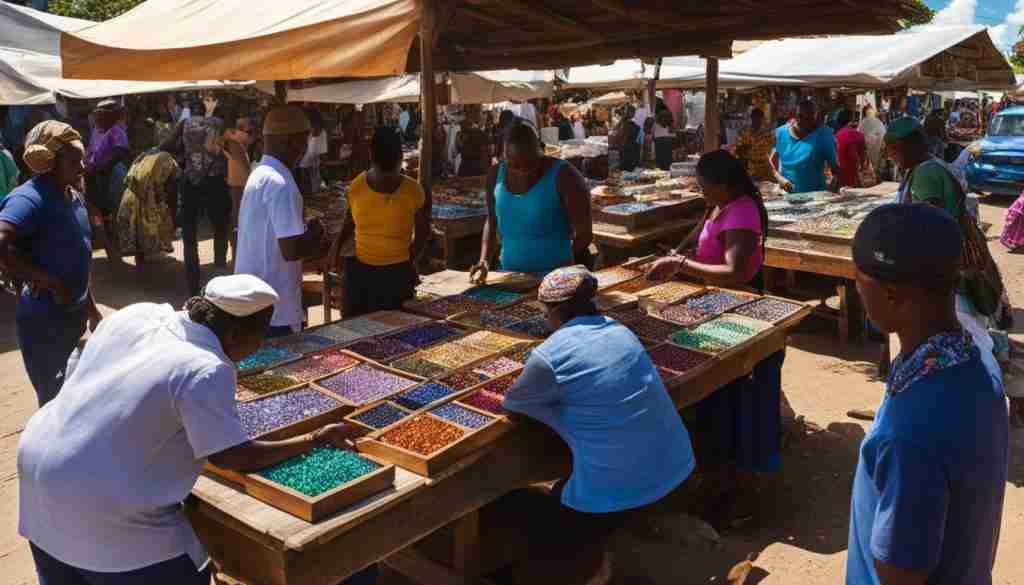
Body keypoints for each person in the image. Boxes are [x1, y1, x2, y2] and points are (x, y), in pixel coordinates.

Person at [17, 274, 370, 585]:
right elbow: (232, 456)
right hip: (103, 508)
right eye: (260, 334)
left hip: (39, 468)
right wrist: (314, 438)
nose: (258, 346)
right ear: (235, 333)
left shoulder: (139, 314)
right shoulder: (206, 367)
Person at [498, 266, 695, 584]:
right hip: (675, 464)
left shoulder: (549, 355)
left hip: (619, 488)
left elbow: (514, 407)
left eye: (545, 312)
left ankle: (586, 570)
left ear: (555, 311)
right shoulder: (621, 331)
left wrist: (558, 415)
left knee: (529, 515)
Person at [845, 203, 1007, 585]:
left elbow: (900, 575)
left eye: (858, 280)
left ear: (891, 295)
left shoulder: (909, 434)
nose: (856, 290)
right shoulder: (977, 366)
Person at [645, 150, 780, 526]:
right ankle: (714, 474)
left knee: (729, 397)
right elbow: (704, 245)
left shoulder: (742, 212)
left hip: (737, 307)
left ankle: (733, 485)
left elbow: (734, 271)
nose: (701, 192)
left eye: (705, 187)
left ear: (725, 184)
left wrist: (681, 264)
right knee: (713, 400)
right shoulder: (720, 206)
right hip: (712, 303)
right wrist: (680, 257)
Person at [885, 117, 1007, 389]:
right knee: (971, 335)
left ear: (905, 146)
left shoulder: (926, 174)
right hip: (951, 272)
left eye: (892, 150)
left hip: (946, 277)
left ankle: (989, 391)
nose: (890, 157)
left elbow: (929, 227)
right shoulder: (931, 167)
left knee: (970, 339)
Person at [0, 121, 101, 406]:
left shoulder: (72, 196)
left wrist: (91, 308)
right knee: (55, 401)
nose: (82, 167)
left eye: (82, 159)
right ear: (50, 162)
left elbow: (77, 257)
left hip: (72, 315)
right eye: (74, 161)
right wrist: (50, 282)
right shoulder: (29, 198)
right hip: (44, 320)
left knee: (73, 393)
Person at [235, 106, 327, 337]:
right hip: (276, 308)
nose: (305, 149)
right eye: (304, 141)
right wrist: (315, 234)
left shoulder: (260, 173)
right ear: (291, 142)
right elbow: (291, 249)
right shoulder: (280, 183)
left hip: (255, 302)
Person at [471, 124, 593, 281]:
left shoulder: (565, 176)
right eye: (513, 166)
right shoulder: (495, 175)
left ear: (540, 152)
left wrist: (560, 267)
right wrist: (484, 261)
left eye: (529, 165)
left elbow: (585, 235)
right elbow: (491, 220)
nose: (522, 171)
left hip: (555, 279)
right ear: (503, 156)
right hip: (509, 277)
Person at [331, 127, 428, 318]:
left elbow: (348, 225)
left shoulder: (356, 187)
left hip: (362, 277)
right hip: (396, 275)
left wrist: (336, 249)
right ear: (400, 156)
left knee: (358, 331)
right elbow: (422, 234)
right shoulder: (414, 190)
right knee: (396, 330)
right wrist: (409, 260)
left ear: (371, 154)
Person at [161, 95, 230, 295]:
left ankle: (193, 283)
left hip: (190, 181)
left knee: (190, 235)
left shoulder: (184, 123)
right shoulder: (218, 123)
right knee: (220, 228)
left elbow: (166, 145)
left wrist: (185, 153)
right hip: (215, 181)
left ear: (190, 111)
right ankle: (219, 275)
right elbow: (226, 148)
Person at [116, 149, 178, 269]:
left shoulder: (147, 155)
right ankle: (150, 267)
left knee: (139, 235)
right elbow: (162, 184)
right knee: (150, 230)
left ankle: (142, 263)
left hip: (133, 194)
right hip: (147, 196)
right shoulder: (166, 159)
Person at [85, 99, 131, 263]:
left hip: (112, 174)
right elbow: (91, 150)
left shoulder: (117, 131)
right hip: (96, 175)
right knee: (99, 211)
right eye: (96, 115)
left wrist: (101, 168)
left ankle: (118, 246)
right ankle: (109, 247)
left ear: (111, 116)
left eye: (100, 115)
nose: (97, 118)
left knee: (115, 210)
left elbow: (120, 152)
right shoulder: (96, 131)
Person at [770, 99, 839, 193]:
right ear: (796, 117)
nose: (812, 123)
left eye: (813, 118)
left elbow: (835, 169)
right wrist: (780, 178)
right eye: (805, 118)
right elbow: (772, 161)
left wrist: (832, 188)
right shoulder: (781, 133)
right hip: (787, 196)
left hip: (816, 195)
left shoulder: (824, 134)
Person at [224, 115, 255, 256]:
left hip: (239, 184)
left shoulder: (235, 142)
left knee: (238, 219)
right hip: (239, 185)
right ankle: (238, 252)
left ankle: (238, 251)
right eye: (248, 130)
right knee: (238, 220)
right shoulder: (235, 142)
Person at [735, 108, 775, 182]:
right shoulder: (744, 132)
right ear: (751, 118)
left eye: (759, 118)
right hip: (750, 166)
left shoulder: (768, 132)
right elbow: (738, 150)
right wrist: (744, 151)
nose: (757, 121)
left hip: (764, 167)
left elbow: (772, 148)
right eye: (755, 118)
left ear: (762, 119)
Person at [297, 108, 328, 195]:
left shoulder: (322, 133)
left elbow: (322, 155)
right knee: (305, 191)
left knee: (315, 191)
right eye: (316, 128)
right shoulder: (302, 134)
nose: (318, 132)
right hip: (301, 168)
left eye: (320, 129)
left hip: (314, 167)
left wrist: (324, 175)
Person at [835, 109, 867, 188]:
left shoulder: (836, 136)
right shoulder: (860, 135)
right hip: (855, 179)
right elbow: (863, 159)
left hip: (841, 179)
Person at [455, 108, 491, 177]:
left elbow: (458, 148)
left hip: (466, 168)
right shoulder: (482, 134)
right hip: (479, 168)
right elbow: (489, 151)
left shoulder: (461, 134)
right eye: (482, 113)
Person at [857, 105, 886, 176]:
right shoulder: (879, 123)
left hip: (866, 156)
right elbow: (884, 138)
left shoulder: (861, 124)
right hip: (877, 153)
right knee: (876, 170)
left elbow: (859, 139)